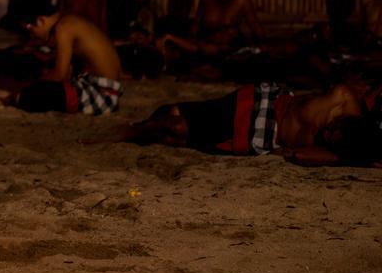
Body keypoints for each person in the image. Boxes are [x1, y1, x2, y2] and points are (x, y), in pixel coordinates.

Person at [121, 82, 381, 167]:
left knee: (177, 133)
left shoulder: (339, 152)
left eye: (333, 137)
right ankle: (129, 132)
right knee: (173, 116)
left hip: (258, 133)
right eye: (336, 128)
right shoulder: (343, 97)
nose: (329, 131)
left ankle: (136, 132)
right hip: (261, 103)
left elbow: (295, 153)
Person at [12, 3, 124, 115]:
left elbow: (60, 74)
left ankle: (15, 98)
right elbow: (67, 72)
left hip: (102, 96)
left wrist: (32, 87)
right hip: (99, 88)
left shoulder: (64, 27)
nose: (31, 36)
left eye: (29, 30)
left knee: (33, 95)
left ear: (41, 20)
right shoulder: (67, 21)